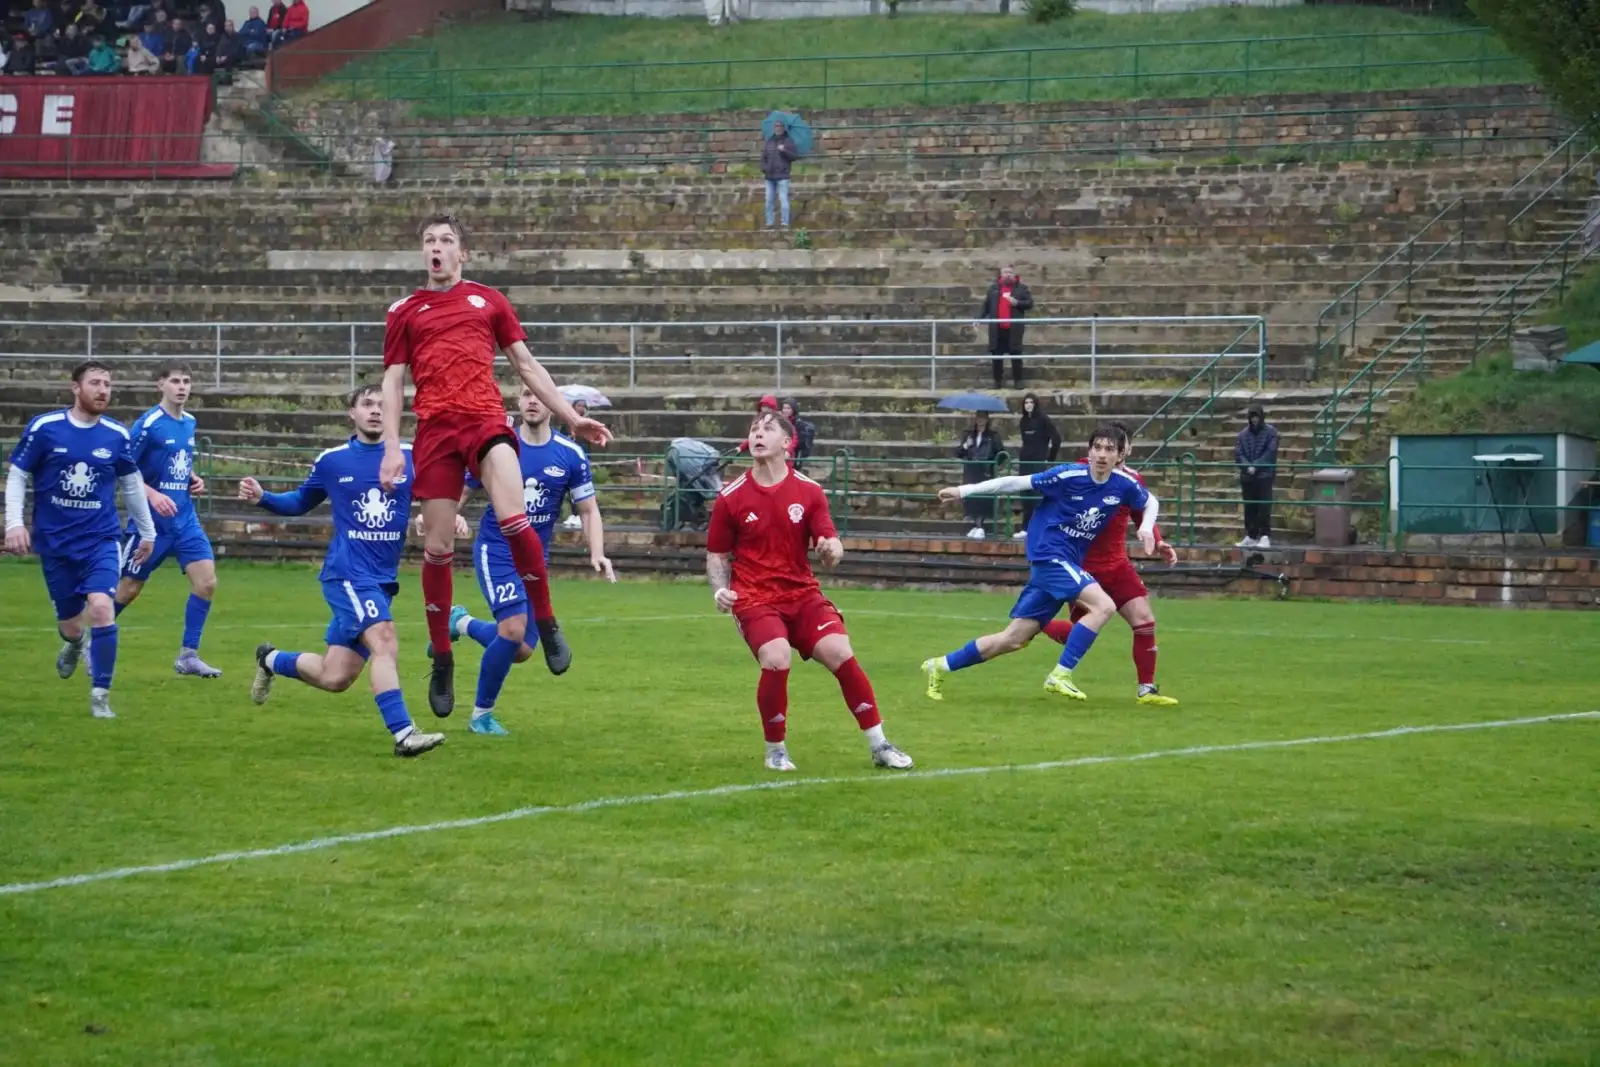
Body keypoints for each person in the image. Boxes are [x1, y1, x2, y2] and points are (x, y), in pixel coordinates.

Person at [380, 212, 610, 718]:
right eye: (428, 241)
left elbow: (526, 365)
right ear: (423, 252)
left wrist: (572, 417)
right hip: (436, 432)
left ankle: (545, 623)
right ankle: (443, 655)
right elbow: (394, 384)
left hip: (485, 422)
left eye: (446, 240)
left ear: (463, 254)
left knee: (513, 518)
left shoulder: (489, 301)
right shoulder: (405, 311)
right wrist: (394, 445)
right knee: (437, 548)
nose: (436, 248)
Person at [238, 385, 447, 758]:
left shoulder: (410, 457)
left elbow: (433, 499)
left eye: (383, 405)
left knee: (335, 677)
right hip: (347, 573)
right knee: (385, 641)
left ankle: (269, 659)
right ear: (351, 413)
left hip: (382, 580)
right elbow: (301, 501)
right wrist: (264, 498)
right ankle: (403, 734)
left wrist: (438, 519)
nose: (376, 411)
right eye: (367, 404)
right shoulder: (334, 460)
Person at [707, 411, 913, 773]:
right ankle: (776, 750)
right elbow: (717, 555)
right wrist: (720, 590)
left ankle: (879, 744)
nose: (757, 434)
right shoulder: (730, 497)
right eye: (754, 429)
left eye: (767, 429)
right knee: (776, 656)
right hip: (755, 597)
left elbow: (830, 542)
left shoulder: (809, 491)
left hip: (801, 594)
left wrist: (832, 550)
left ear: (787, 443)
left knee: (839, 651)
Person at [921, 423, 1158, 703]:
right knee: (1103, 606)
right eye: (1097, 447)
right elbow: (1015, 482)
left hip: (1065, 561)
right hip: (1049, 555)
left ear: (1120, 456)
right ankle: (1060, 675)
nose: (1102, 454)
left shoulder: (1123, 484)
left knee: (1013, 639)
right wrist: (964, 490)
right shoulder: (1067, 475)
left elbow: (1151, 501)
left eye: (1109, 449)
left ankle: (940, 665)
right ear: (1089, 451)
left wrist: (1147, 527)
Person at [443, 387, 616, 736]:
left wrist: (597, 551)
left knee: (520, 649)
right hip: (497, 550)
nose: (533, 401)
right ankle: (480, 716)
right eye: (526, 394)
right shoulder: (498, 446)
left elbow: (588, 509)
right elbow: (460, 491)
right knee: (512, 630)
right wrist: (447, 516)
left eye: (539, 395)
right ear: (518, 402)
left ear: (554, 405)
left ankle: (460, 623)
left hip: (535, 559)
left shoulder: (570, 454)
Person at [4, 361, 157, 720]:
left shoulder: (116, 435)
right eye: (95, 383)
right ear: (76, 388)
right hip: (55, 543)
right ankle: (74, 644)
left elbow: (132, 484)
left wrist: (147, 532)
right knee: (72, 625)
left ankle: (100, 695)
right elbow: (18, 475)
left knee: (102, 608)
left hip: (101, 539)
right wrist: (14, 523)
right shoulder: (45, 428)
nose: (103, 390)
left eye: (107, 383)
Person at [1040, 423, 1179, 706]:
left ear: (1125, 450)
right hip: (1084, 567)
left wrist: (1158, 540)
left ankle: (1146, 690)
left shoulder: (1131, 480)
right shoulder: (1082, 471)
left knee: (1144, 621)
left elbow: (1142, 515)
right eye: (1102, 447)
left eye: (1116, 446)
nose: (1107, 453)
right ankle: (1038, 623)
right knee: (1078, 632)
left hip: (1117, 565)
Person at [111, 362, 222, 677]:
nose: (182, 387)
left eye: (187, 381)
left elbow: (177, 462)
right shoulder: (148, 425)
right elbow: (125, 471)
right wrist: (154, 494)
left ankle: (188, 655)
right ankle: (92, 640)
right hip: (151, 524)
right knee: (129, 588)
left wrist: (191, 478)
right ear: (160, 385)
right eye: (175, 381)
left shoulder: (189, 422)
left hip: (184, 520)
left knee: (207, 583)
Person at [978, 265, 1033, 390]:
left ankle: (1018, 381)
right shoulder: (993, 289)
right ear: (1001, 274)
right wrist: (978, 319)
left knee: (1016, 354)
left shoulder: (1021, 288)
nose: (1008, 274)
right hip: (997, 328)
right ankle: (997, 381)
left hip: (1014, 328)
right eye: (1005, 272)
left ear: (1014, 274)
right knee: (996, 355)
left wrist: (1017, 303)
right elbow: (986, 306)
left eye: (1010, 272)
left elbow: (1030, 303)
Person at [1014, 391, 1060, 538]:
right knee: (1025, 493)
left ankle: (1038, 528)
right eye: (1026, 403)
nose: (1028, 405)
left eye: (1031, 402)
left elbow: (1056, 439)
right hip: (1025, 461)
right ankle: (1025, 528)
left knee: (1036, 495)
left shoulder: (1043, 419)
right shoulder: (1023, 421)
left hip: (1037, 461)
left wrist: (1049, 458)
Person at [1234, 403, 1278, 548]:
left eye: (1256, 417)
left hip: (1264, 476)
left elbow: (1270, 453)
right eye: (1251, 417)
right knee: (1249, 507)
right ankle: (1251, 535)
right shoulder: (1242, 435)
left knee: (1264, 506)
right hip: (1248, 477)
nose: (1254, 420)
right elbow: (1239, 454)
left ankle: (1265, 536)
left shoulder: (1271, 432)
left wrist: (1256, 466)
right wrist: (1248, 467)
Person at [955, 410, 1004, 540]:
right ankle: (976, 525)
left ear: (987, 420)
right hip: (971, 469)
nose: (981, 421)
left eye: (983, 418)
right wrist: (966, 445)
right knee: (972, 497)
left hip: (985, 470)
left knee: (983, 498)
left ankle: (980, 526)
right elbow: (958, 452)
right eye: (979, 418)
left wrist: (993, 464)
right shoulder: (968, 435)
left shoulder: (993, 436)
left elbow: (1001, 454)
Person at [760, 120, 799, 229]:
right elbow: (764, 157)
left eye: (780, 126)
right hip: (769, 176)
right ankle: (769, 223)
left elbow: (795, 156)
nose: (778, 128)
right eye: (776, 126)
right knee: (768, 200)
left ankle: (785, 223)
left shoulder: (788, 141)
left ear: (783, 128)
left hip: (782, 176)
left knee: (783, 199)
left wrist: (784, 150)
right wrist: (764, 168)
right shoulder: (770, 141)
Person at [779, 397, 815, 467]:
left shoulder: (798, 423)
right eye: (784, 408)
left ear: (793, 410)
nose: (785, 410)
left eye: (788, 408)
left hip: (794, 453)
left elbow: (797, 440)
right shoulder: (781, 420)